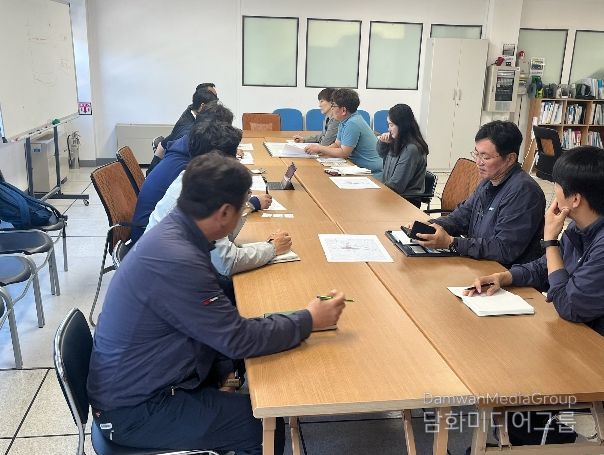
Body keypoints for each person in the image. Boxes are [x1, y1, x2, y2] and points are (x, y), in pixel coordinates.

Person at [87, 152, 347, 454]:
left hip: (138, 385)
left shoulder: (177, 231)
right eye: (242, 208)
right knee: (263, 428)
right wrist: (309, 320)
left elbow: (219, 324)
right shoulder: (180, 259)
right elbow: (237, 339)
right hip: (136, 411)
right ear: (224, 213)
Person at [465, 146, 604, 448]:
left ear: (575, 199)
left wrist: (550, 240)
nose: (554, 193)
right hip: (576, 337)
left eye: (557, 187)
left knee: (511, 379)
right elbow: (546, 268)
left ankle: (535, 439)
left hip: (592, 353)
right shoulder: (580, 229)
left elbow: (569, 305)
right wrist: (505, 277)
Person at [412, 120, 546, 268]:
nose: (478, 162)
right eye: (476, 154)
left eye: (485, 157)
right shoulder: (488, 182)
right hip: (479, 261)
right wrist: (430, 226)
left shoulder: (524, 192)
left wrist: (452, 242)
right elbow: (461, 217)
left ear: (510, 159)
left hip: (505, 272)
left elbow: (504, 249)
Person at [130, 104, 270, 243]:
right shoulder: (191, 172)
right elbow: (220, 248)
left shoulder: (189, 148)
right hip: (146, 234)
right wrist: (249, 204)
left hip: (153, 234)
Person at [304, 89, 383, 176]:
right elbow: (337, 144)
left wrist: (320, 149)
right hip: (356, 167)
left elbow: (343, 153)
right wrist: (321, 152)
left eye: (333, 106)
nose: (332, 109)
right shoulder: (344, 120)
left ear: (343, 110)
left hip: (371, 172)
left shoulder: (352, 123)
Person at [147, 83, 218, 175]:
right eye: (213, 104)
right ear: (202, 106)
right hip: (170, 172)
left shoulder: (192, 111)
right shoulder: (188, 132)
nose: (215, 109)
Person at [376, 104, 428, 206]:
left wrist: (376, 190)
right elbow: (381, 153)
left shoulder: (411, 149)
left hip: (405, 202)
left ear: (402, 126)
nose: (389, 129)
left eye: (391, 125)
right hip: (392, 195)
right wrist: (383, 142)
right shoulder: (397, 141)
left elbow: (396, 185)